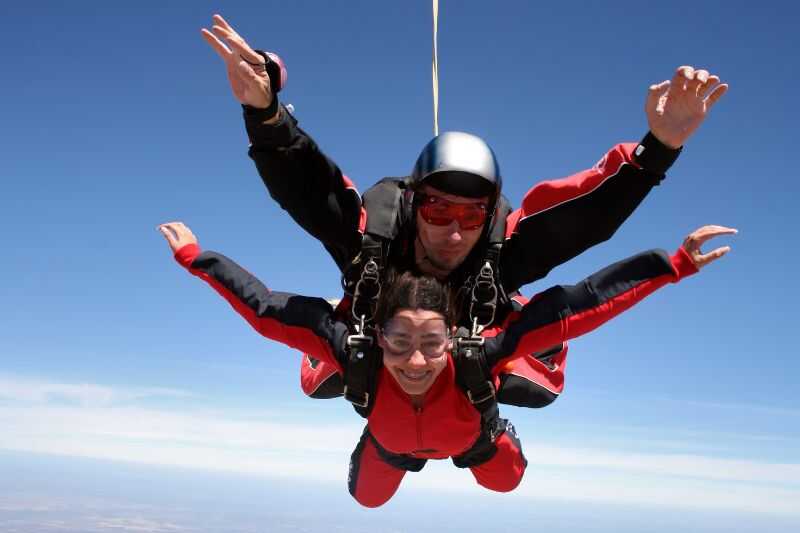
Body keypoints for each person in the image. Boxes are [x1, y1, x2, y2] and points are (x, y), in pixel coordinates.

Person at [200, 14, 729, 403]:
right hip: (378, 357)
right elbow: (310, 191)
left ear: (489, 216)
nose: (454, 233)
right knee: (337, 375)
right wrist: (265, 114)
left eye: (472, 216)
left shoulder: (500, 255)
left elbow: (582, 221)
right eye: (437, 211)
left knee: (530, 383)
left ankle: (493, 394)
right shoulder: (374, 240)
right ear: (413, 204)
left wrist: (658, 149)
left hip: (470, 366)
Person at [159, 220, 735, 507]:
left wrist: (671, 264)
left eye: (432, 343)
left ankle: (494, 428)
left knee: (506, 482)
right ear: (376, 334)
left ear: (453, 336)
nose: (414, 359)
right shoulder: (353, 353)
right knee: (367, 499)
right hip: (391, 443)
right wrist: (194, 257)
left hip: (471, 437)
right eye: (398, 339)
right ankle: (390, 440)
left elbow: (576, 307)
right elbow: (264, 309)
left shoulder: (477, 357)